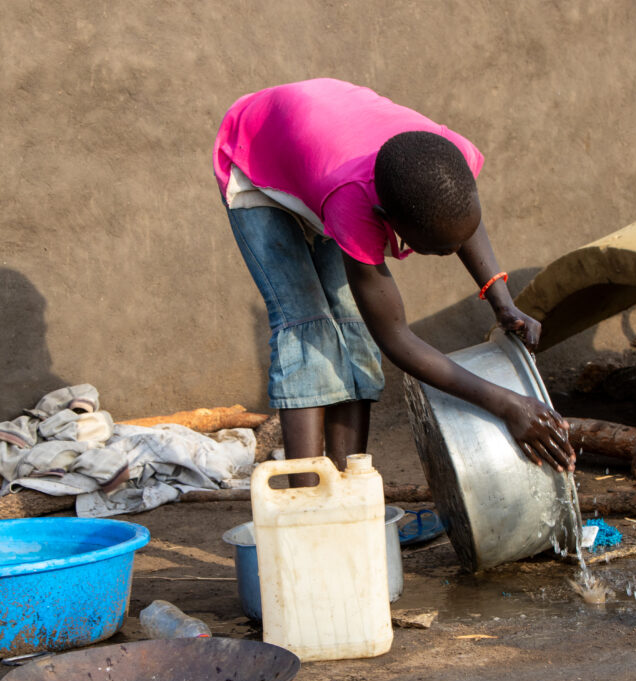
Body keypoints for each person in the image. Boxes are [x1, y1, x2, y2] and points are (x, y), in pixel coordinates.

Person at [214, 77, 574, 477]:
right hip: (255, 154)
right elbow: (395, 337)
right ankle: (307, 494)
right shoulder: (351, 202)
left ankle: (351, 482)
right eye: (439, 249)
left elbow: (464, 223)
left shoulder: (450, 156)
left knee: (352, 324)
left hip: (319, 142)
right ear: (385, 220)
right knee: (305, 324)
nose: (452, 253)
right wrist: (505, 403)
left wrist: (502, 301)